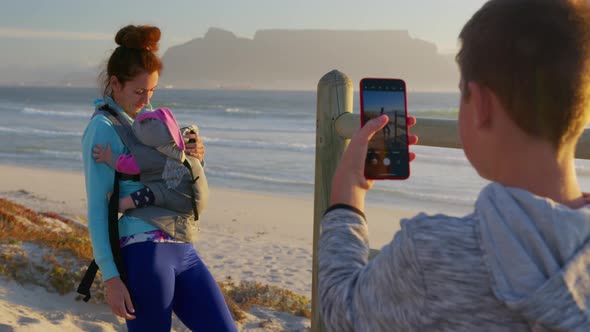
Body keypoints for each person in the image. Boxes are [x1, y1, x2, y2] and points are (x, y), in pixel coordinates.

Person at [319, 0, 590, 331]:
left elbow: (339, 310)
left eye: (461, 94)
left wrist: (347, 195)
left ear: (481, 105)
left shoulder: (430, 254)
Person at [81, 25, 236, 331]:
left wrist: (195, 156)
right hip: (144, 254)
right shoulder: (103, 129)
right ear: (115, 83)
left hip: (184, 248)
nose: (146, 100)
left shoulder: (149, 122)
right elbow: (100, 208)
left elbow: (172, 177)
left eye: (151, 91)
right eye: (139, 91)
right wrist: (111, 278)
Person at [92, 106, 208, 215]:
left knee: (151, 193)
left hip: (183, 199)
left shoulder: (150, 155)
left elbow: (127, 165)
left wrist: (108, 157)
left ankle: (122, 205)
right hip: (198, 192)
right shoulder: (176, 145)